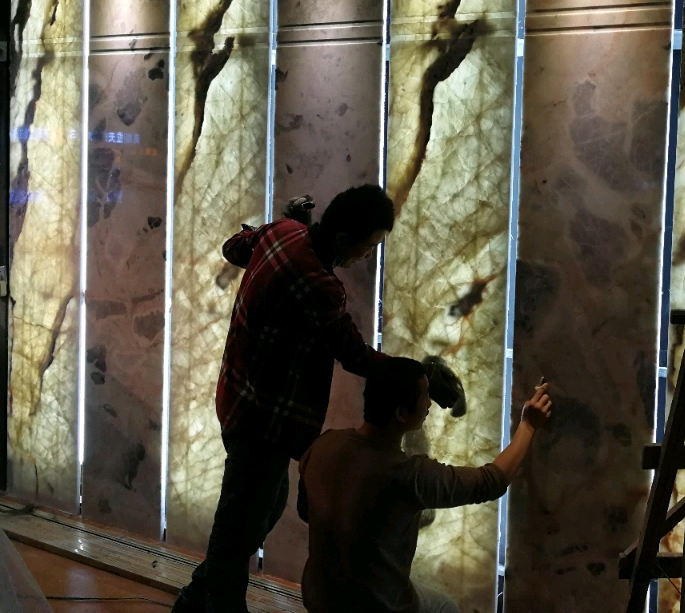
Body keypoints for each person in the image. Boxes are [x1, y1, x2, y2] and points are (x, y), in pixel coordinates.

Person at [172, 185, 461, 613]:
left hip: (240, 397)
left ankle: (194, 602)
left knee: (261, 513)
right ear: (344, 238)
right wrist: (419, 378)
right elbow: (354, 354)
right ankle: (213, 606)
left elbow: (235, 247)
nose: (366, 256)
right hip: (264, 419)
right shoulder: (319, 283)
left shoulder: (282, 232)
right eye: (368, 247)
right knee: (237, 532)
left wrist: (287, 224)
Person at [298, 358, 552, 613]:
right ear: (401, 413)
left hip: (319, 598)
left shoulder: (324, 444)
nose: (429, 403)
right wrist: (528, 426)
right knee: (446, 608)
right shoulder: (408, 476)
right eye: (424, 396)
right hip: (376, 607)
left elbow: (304, 510)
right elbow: (490, 482)